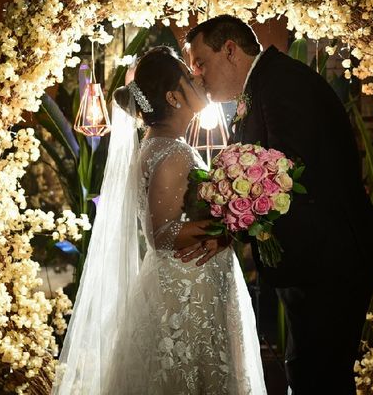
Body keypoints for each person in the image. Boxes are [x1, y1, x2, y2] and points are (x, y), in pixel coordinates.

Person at [179, 15, 373, 394]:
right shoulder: (267, 83)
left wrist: (230, 225)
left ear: (229, 50)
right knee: (312, 373)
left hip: (329, 259)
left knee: (318, 378)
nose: (198, 76)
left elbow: (286, 177)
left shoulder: (281, 84)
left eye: (201, 63)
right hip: (316, 257)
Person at [53, 46, 266, 395]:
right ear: (172, 96)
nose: (197, 77)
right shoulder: (172, 152)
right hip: (185, 291)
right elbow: (162, 235)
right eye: (187, 75)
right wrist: (231, 225)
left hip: (187, 282)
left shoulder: (163, 144)